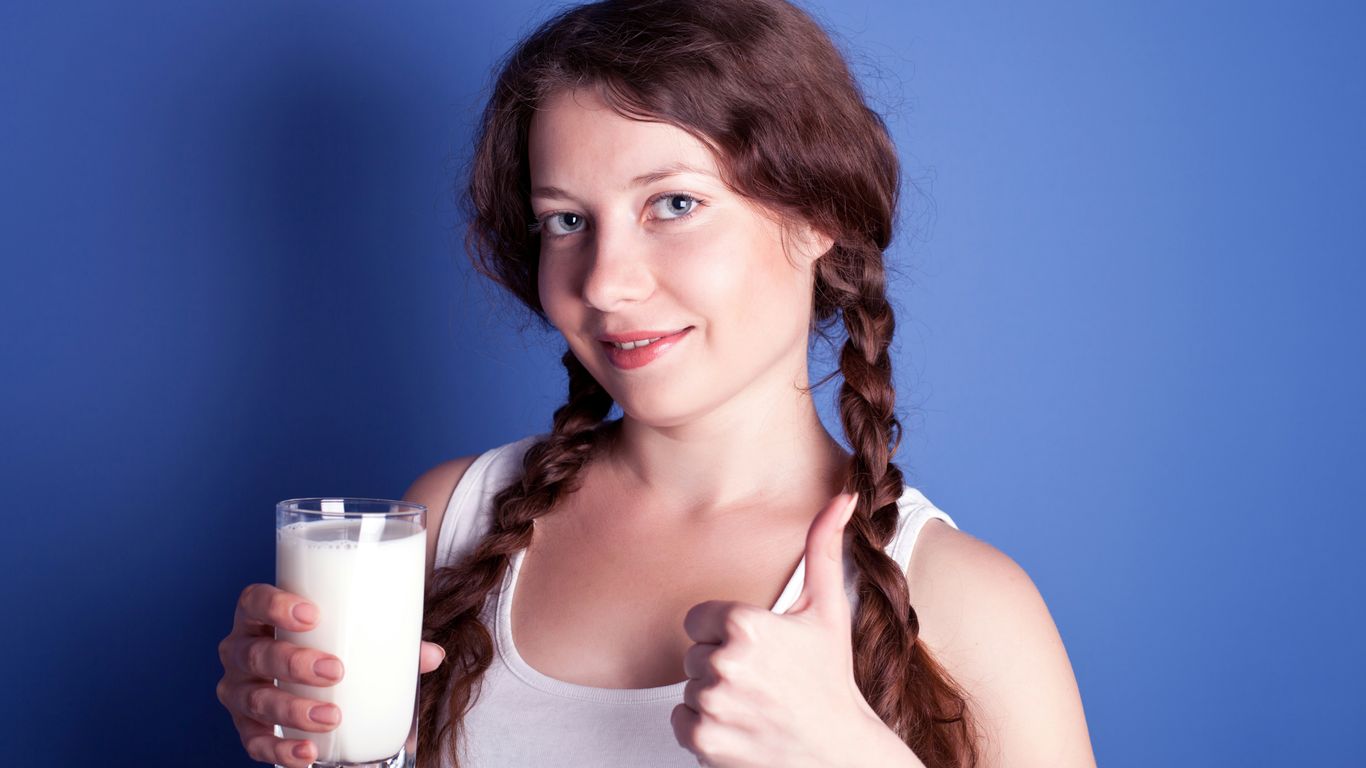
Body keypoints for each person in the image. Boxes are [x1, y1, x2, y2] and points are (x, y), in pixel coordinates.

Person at [217, 0, 1096, 765]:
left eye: (672, 204)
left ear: (821, 211)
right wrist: (306, 727)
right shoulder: (451, 522)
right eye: (565, 220)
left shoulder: (967, 606)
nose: (603, 282)